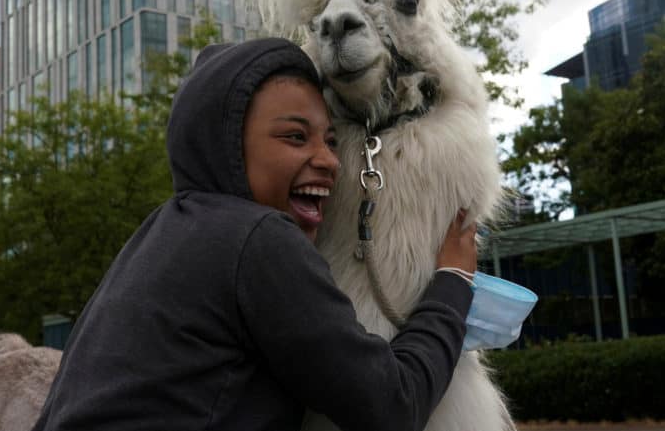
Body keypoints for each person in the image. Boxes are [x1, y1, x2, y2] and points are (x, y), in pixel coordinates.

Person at [31, 38, 478, 431]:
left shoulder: (160, 234)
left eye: (330, 141)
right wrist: (453, 285)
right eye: (295, 137)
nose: (328, 161)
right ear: (225, 144)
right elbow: (392, 407)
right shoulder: (258, 237)